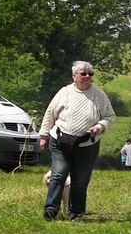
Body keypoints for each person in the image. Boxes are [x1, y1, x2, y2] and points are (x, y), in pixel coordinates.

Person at [37, 61, 116, 220]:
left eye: (90, 74)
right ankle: (51, 209)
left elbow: (110, 116)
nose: (87, 76)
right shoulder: (64, 92)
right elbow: (50, 114)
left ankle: (76, 212)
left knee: (80, 181)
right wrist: (44, 136)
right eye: (83, 73)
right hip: (60, 141)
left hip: (87, 145)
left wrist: (99, 127)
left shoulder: (99, 95)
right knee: (58, 175)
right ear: (74, 76)